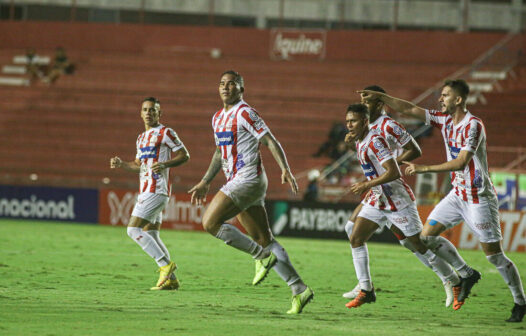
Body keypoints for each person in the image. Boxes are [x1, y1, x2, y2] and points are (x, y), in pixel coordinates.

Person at [360, 79, 526, 322]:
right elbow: (409, 109)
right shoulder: (444, 120)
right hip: (457, 194)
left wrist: (423, 169)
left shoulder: (473, 125)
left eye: (445, 95)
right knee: (426, 236)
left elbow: (461, 163)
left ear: (458, 100)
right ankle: (467, 273)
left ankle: (520, 302)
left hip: (478, 198)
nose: (440, 99)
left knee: (494, 256)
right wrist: (380, 96)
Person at [188, 70, 313, 314]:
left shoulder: (245, 113)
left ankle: (261, 257)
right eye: (222, 83)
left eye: (232, 84)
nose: (226, 87)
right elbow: (218, 152)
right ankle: (299, 288)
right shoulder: (217, 118)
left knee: (210, 223)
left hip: (248, 179)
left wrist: (285, 168)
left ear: (241, 89)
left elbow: (269, 140)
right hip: (241, 181)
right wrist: (205, 181)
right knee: (264, 238)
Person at [342, 86, 459, 308]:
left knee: (417, 244)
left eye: (354, 120)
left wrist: (380, 173)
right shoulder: (361, 135)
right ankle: (365, 287)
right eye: (348, 120)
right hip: (378, 195)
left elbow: (403, 160)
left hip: (396, 196)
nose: (350, 124)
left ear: (375, 108)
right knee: (354, 234)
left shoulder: (384, 131)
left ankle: (452, 278)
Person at [110, 97, 190, 291]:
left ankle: (165, 264)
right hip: (146, 189)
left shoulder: (166, 133)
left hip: (157, 188)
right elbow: (138, 165)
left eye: (153, 110)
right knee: (151, 232)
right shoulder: (140, 138)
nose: (148, 113)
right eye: (145, 110)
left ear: (159, 113)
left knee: (132, 230)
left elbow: (184, 155)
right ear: (141, 113)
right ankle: (170, 279)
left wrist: (165, 164)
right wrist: (122, 164)